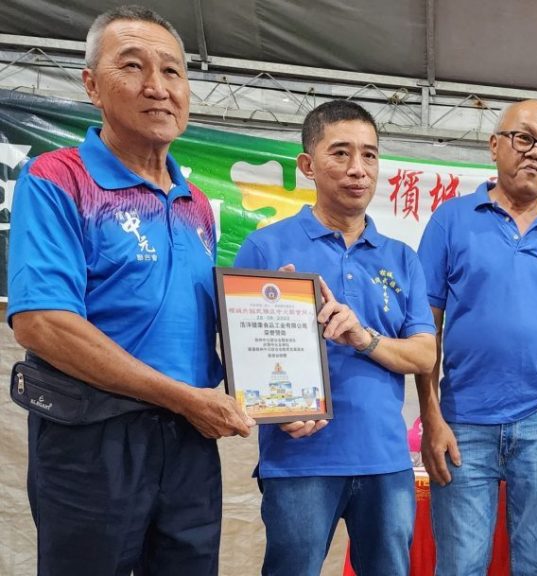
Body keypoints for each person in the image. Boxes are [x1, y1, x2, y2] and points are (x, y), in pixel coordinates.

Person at [6, 6, 253, 575]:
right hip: (93, 435)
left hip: (189, 440)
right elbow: (42, 322)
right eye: (133, 66)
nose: (157, 87)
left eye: (172, 71)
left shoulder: (196, 204)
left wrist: (280, 331)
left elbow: (196, 323)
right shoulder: (58, 177)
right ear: (92, 85)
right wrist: (182, 397)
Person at [233, 100, 436, 576]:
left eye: (369, 155)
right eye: (340, 153)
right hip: (299, 460)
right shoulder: (267, 246)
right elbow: (241, 355)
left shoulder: (401, 257)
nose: (357, 169)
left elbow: (425, 354)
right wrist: (274, 410)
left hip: (385, 460)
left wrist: (364, 338)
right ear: (308, 165)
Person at [415, 99, 537, 575]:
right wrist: (431, 416)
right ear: (495, 145)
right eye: (523, 138)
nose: (535, 152)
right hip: (463, 422)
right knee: (460, 567)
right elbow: (425, 329)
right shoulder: (451, 220)